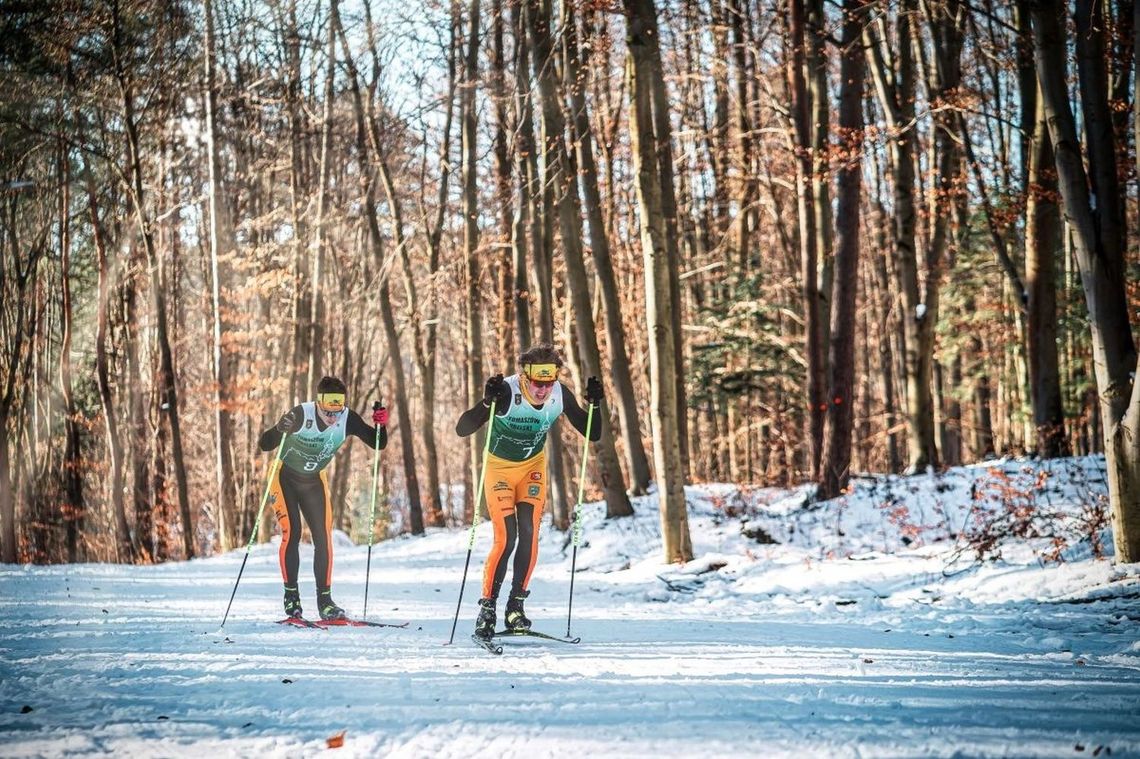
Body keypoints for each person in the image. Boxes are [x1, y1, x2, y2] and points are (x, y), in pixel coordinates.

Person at [455, 343, 603, 639]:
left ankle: (515, 607)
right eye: (538, 384)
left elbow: (592, 433)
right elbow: (463, 428)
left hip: (532, 468)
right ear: (525, 376)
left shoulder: (559, 393)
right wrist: (487, 404)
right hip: (499, 469)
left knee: (529, 532)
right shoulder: (507, 391)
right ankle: (487, 609)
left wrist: (595, 405)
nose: (543, 391)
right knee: (506, 538)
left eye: (549, 383)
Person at [258, 376, 388, 621]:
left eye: (336, 413)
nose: (332, 419)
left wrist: (381, 425)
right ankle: (292, 596)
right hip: (284, 476)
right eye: (328, 412)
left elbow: (377, 443)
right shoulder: (301, 414)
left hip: (313, 480)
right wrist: (279, 429)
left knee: (323, 537)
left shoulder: (347, 418)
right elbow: (264, 444)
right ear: (318, 403)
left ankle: (325, 601)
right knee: (293, 532)